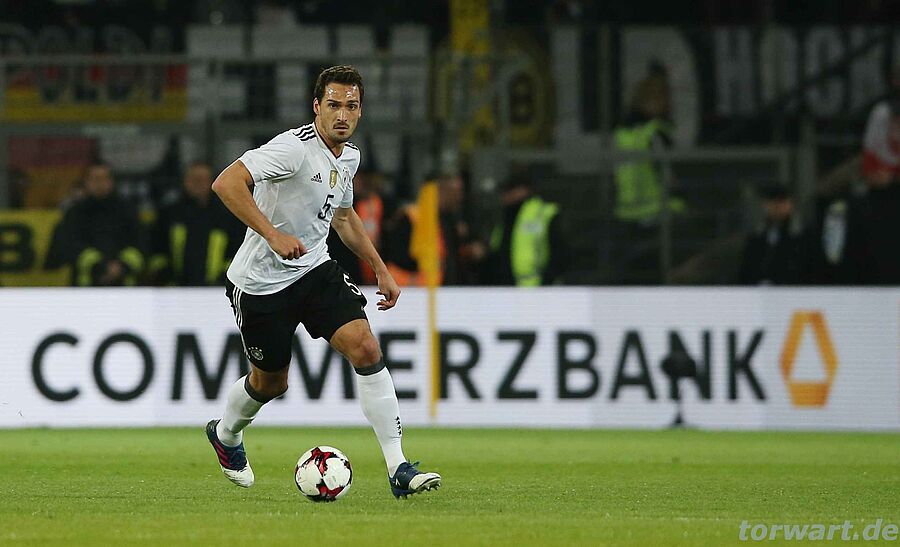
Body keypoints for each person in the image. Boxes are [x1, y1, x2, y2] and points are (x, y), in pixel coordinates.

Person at [205, 65, 441, 498]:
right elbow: (226, 183)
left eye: (351, 106)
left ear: (361, 111)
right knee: (270, 384)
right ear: (316, 106)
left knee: (366, 348)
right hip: (259, 284)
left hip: (314, 269)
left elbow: (344, 218)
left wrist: (380, 267)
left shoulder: (349, 157)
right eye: (333, 105)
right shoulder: (292, 149)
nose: (342, 115)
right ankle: (225, 434)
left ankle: (399, 467)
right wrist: (272, 235)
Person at [46, 162, 145, 286]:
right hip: (85, 287)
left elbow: (140, 243)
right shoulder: (75, 213)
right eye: (95, 179)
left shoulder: (128, 211)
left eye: (104, 178)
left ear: (111, 181)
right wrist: (99, 266)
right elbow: (69, 247)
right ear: (86, 182)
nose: (100, 183)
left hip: (124, 286)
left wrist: (122, 267)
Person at [148, 162, 244, 286]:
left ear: (212, 182)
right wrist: (165, 275)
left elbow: (237, 251)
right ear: (185, 181)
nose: (198, 184)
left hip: (217, 290)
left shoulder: (227, 215)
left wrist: (224, 279)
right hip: (175, 289)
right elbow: (157, 250)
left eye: (203, 179)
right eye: (194, 179)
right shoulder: (169, 214)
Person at [484, 174, 567, 286]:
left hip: (537, 288)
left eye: (508, 191)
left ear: (523, 190)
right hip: (508, 289)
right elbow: (498, 253)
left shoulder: (543, 213)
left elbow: (560, 253)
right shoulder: (504, 219)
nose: (504, 196)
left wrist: (546, 282)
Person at [738, 183, 813, 285]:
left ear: (790, 204)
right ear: (765, 205)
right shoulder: (757, 234)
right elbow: (747, 267)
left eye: (781, 202)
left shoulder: (802, 235)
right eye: (772, 203)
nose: (777, 207)